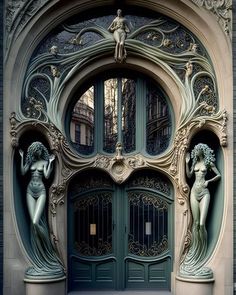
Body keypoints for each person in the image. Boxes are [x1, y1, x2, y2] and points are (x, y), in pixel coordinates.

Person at [19, 141, 64, 278]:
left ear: (41, 150)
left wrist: (50, 162)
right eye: (34, 149)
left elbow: (46, 176)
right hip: (30, 191)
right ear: (32, 151)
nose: (37, 151)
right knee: (33, 225)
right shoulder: (30, 161)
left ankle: (48, 250)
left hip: (41, 191)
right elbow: (22, 172)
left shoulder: (44, 162)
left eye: (38, 149)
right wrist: (22, 157)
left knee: (35, 221)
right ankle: (39, 256)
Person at [181, 143, 221, 277]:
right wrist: (187, 163)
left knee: (202, 224)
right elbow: (188, 175)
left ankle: (203, 254)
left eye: (197, 150)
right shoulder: (193, 163)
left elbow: (219, 175)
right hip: (193, 192)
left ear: (202, 151)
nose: (195, 152)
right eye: (195, 151)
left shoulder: (208, 163)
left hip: (204, 192)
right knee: (195, 223)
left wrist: (208, 181)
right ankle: (195, 251)